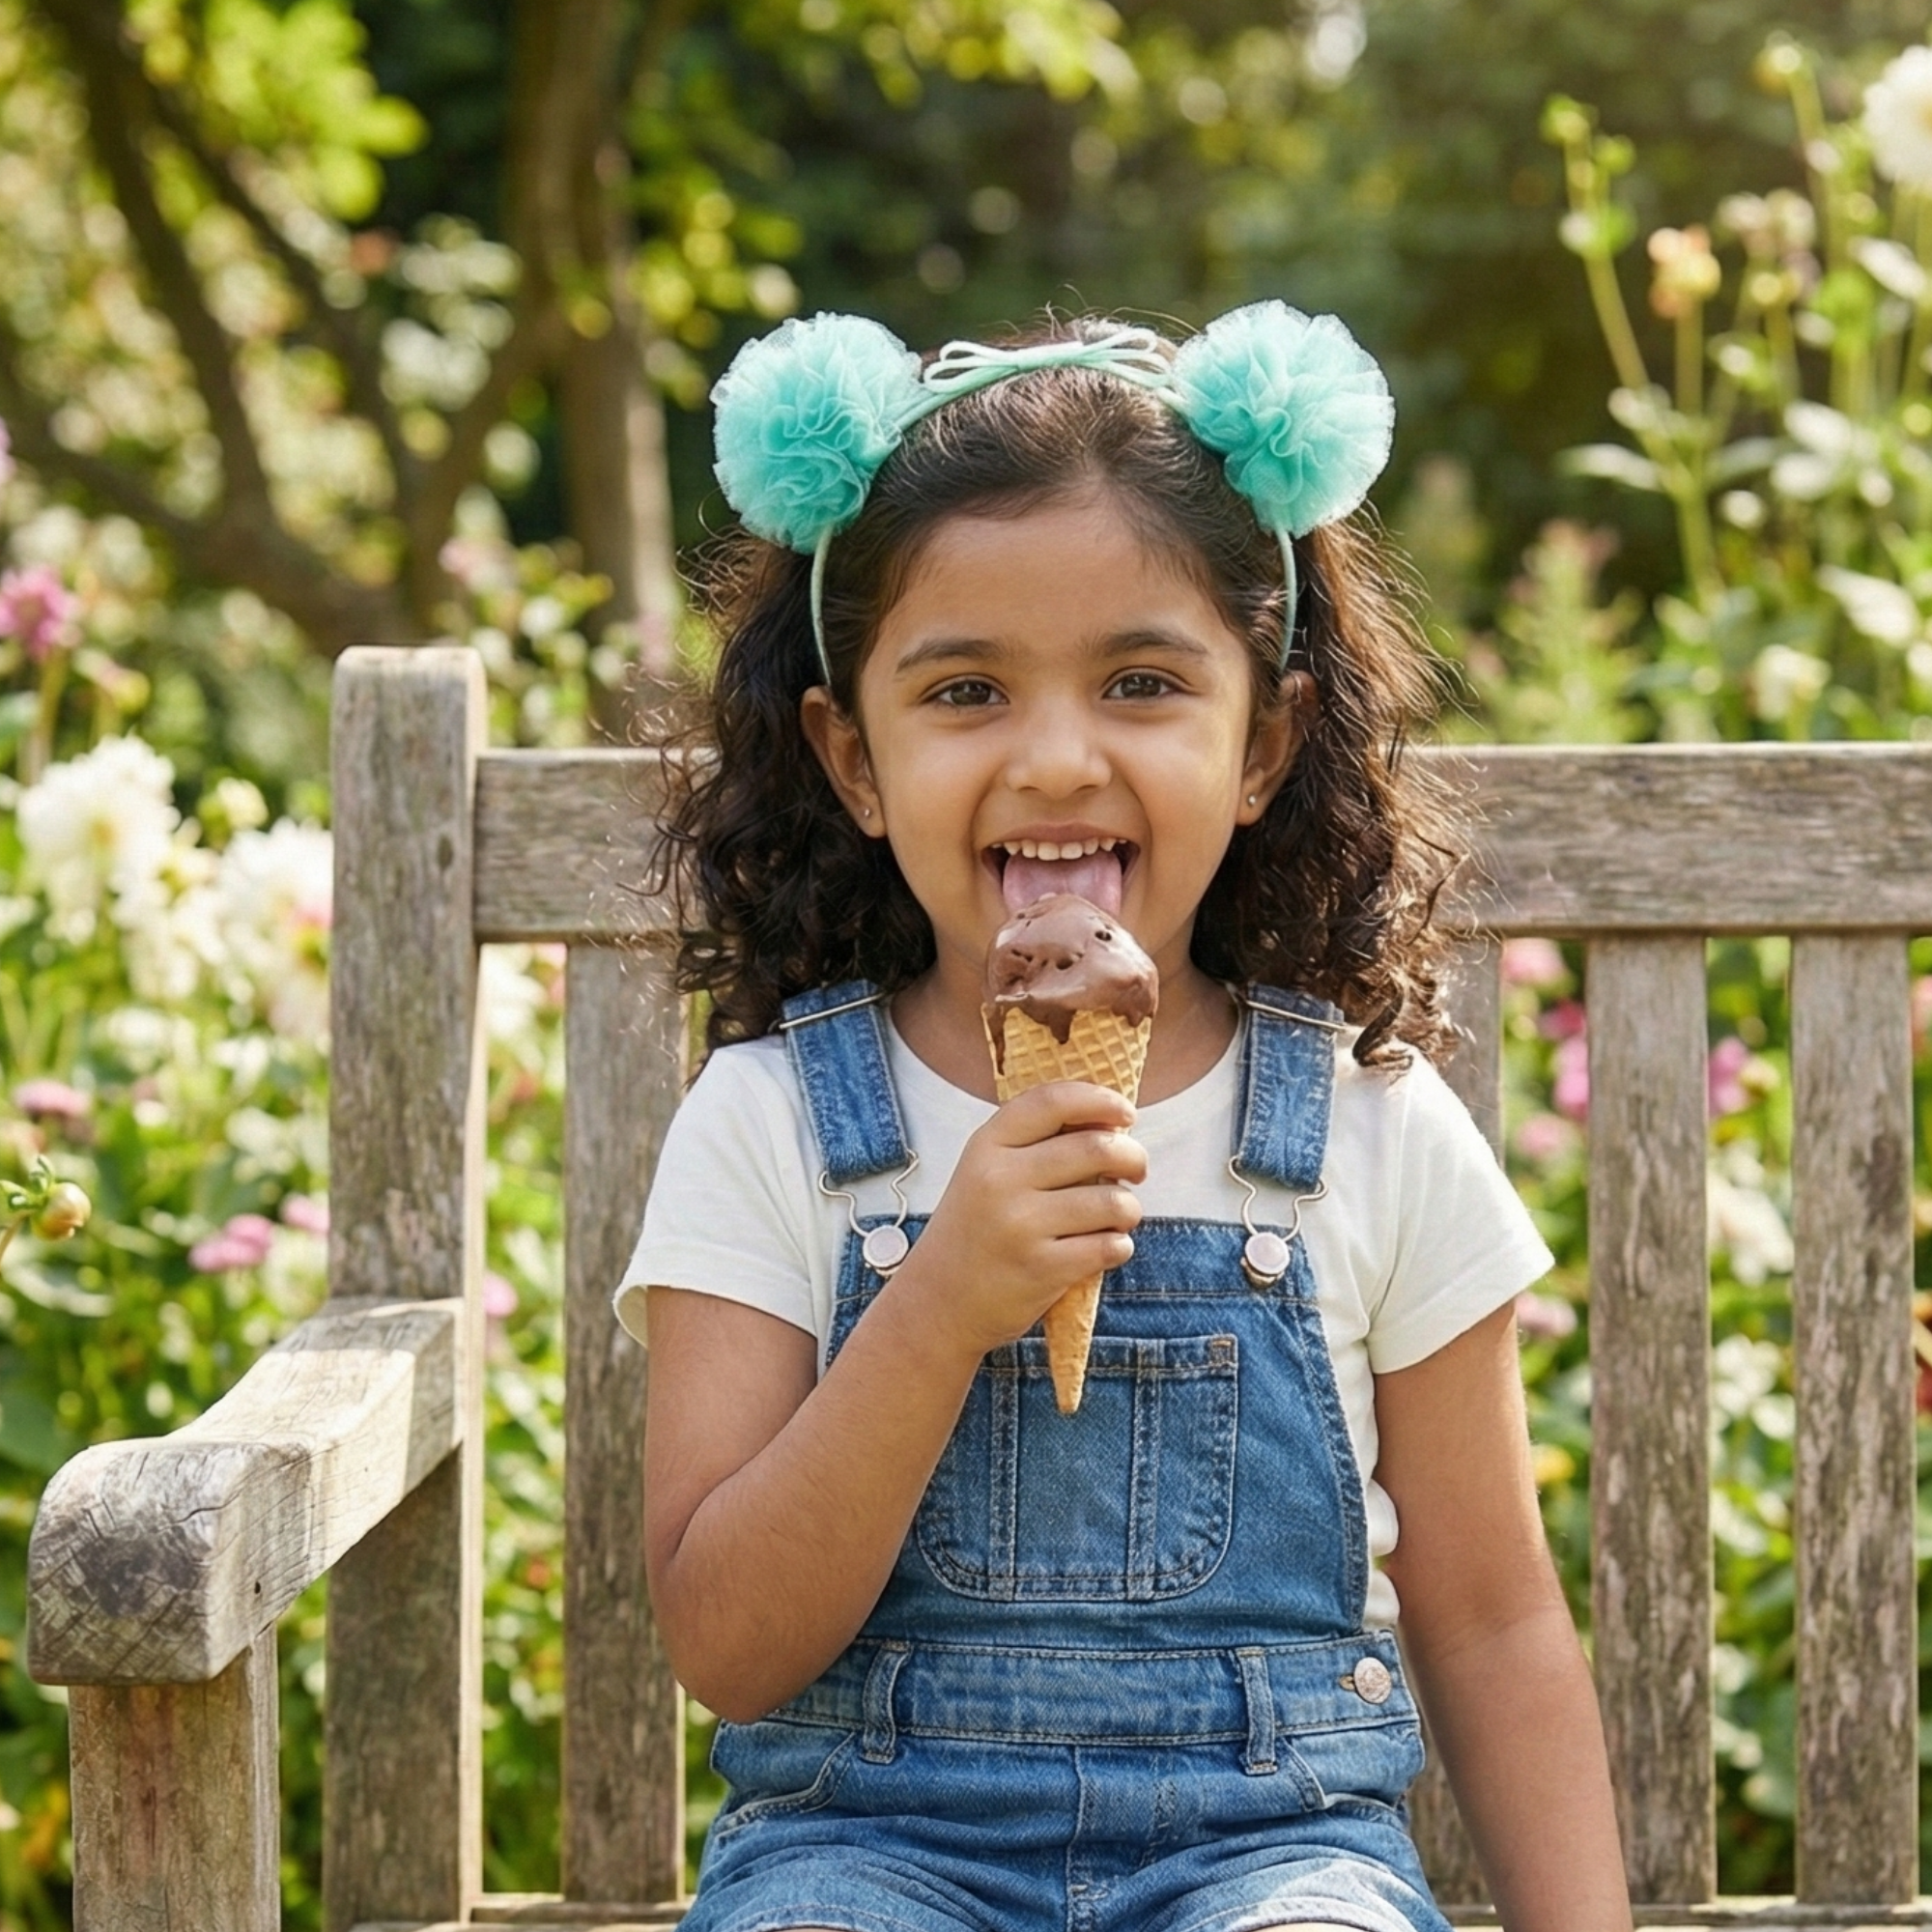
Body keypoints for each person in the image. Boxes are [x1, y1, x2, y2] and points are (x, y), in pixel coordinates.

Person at [617, 305, 1631, 1932]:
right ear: (852, 757)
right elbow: (725, 1647)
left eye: (1144, 680)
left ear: (1265, 742)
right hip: (861, 1855)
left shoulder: (1368, 1129)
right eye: (964, 690)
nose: (1057, 756)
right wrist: (941, 1301)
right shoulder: (771, 1127)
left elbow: (1494, 1616)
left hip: (1271, 1851)